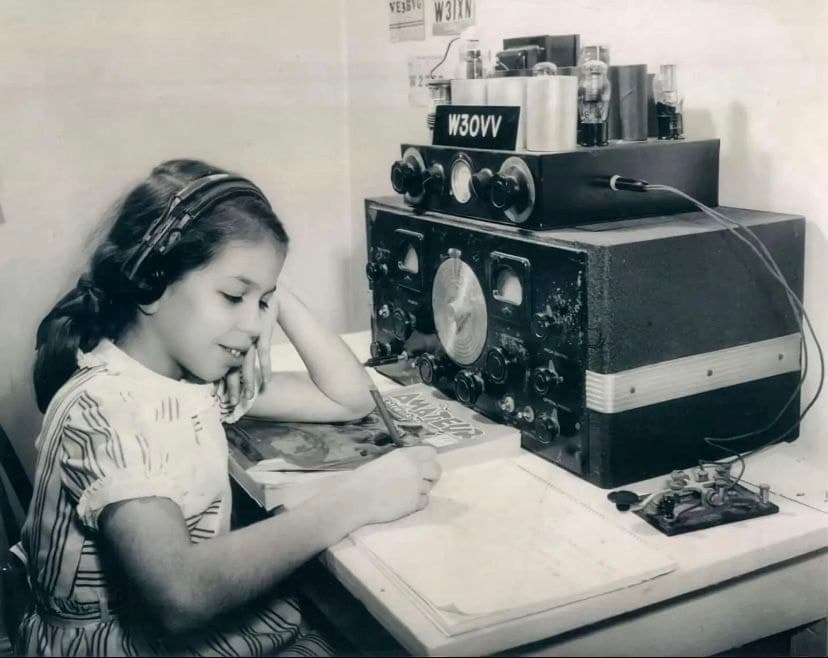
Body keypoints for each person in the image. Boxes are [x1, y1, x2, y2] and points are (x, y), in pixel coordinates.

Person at [15, 159, 441, 656]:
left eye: (263, 303)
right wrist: (360, 498)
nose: (257, 325)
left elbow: (347, 397)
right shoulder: (109, 408)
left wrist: (271, 296)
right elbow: (182, 595)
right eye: (234, 295)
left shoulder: (187, 379)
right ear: (153, 282)